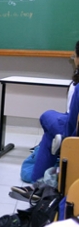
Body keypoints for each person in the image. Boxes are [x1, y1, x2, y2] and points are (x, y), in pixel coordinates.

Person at [25, 40, 79, 183]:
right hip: (72, 129)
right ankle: (38, 183)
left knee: (47, 117)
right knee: (53, 131)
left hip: (74, 137)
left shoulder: (78, 88)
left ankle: (37, 184)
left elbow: (72, 127)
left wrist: (64, 139)